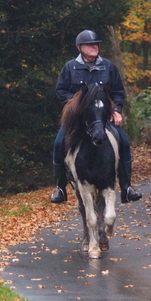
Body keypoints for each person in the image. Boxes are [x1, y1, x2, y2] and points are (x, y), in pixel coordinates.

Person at [51, 30, 142, 204]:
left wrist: (116, 110)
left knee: (124, 142)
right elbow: (61, 91)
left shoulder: (108, 66)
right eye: (90, 44)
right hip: (78, 119)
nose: (95, 47)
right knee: (58, 143)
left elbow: (118, 92)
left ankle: (127, 187)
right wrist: (74, 105)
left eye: (96, 44)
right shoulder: (70, 67)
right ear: (80, 48)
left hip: (103, 117)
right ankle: (60, 188)